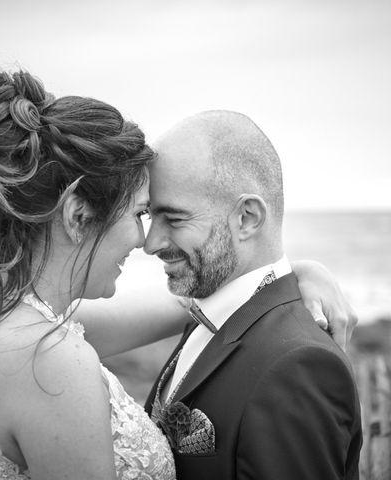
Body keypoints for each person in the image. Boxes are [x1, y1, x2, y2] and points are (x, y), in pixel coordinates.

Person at [0, 68, 356, 480]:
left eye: (168, 217)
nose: (147, 241)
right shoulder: (51, 361)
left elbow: (203, 302)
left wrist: (293, 272)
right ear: (78, 216)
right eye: (141, 213)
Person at [143, 110, 363, 479]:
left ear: (247, 218)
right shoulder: (210, 311)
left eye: (175, 220)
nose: (151, 244)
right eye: (151, 217)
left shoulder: (297, 366)